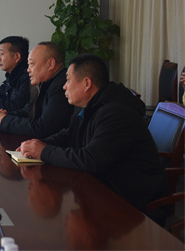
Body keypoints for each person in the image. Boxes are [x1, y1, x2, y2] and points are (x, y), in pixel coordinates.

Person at [19, 54, 169, 218]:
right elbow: (69, 135)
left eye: (68, 80)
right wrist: (38, 144)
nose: (64, 86)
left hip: (133, 204)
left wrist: (44, 151)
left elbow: (90, 160)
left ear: (86, 83)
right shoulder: (88, 105)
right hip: (104, 189)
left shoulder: (116, 113)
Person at [0, 41, 73, 138]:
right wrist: (3, 116)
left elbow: (44, 128)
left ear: (50, 64)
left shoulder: (62, 86)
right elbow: (28, 112)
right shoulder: (43, 83)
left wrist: (5, 120)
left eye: (31, 64)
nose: (28, 70)